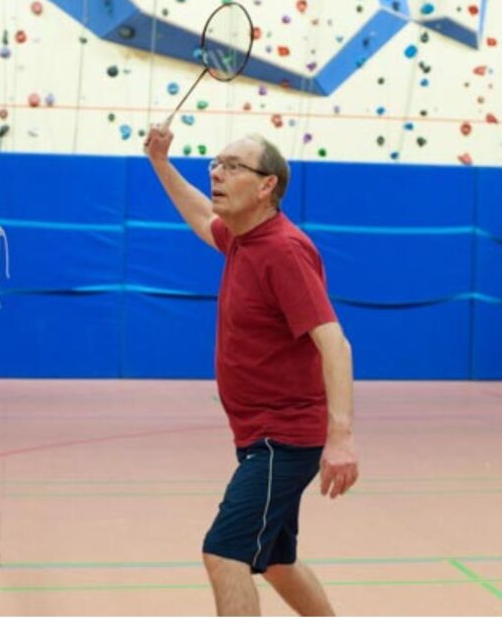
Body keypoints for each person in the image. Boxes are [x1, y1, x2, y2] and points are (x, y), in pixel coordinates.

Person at [143, 124, 359, 616]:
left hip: (282, 437)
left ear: (267, 186)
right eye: (216, 164)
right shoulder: (243, 238)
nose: (218, 173)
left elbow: (335, 343)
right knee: (277, 561)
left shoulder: (283, 250)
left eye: (233, 166)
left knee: (224, 553)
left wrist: (341, 438)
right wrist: (161, 162)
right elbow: (202, 216)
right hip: (260, 433)